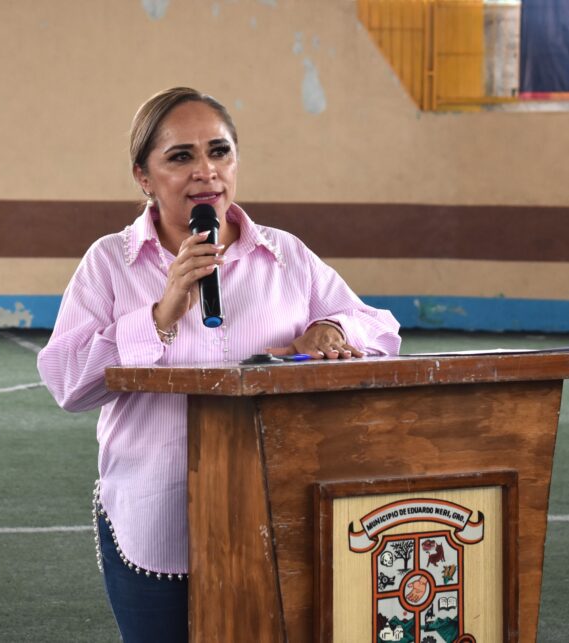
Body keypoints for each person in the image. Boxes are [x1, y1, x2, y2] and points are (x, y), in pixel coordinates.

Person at [37, 87, 401, 642]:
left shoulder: (284, 256)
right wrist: (160, 313)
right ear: (143, 176)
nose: (206, 171)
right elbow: (67, 383)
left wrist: (333, 330)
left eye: (220, 151)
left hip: (277, 518)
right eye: (180, 156)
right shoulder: (110, 263)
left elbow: (379, 328)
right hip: (156, 525)